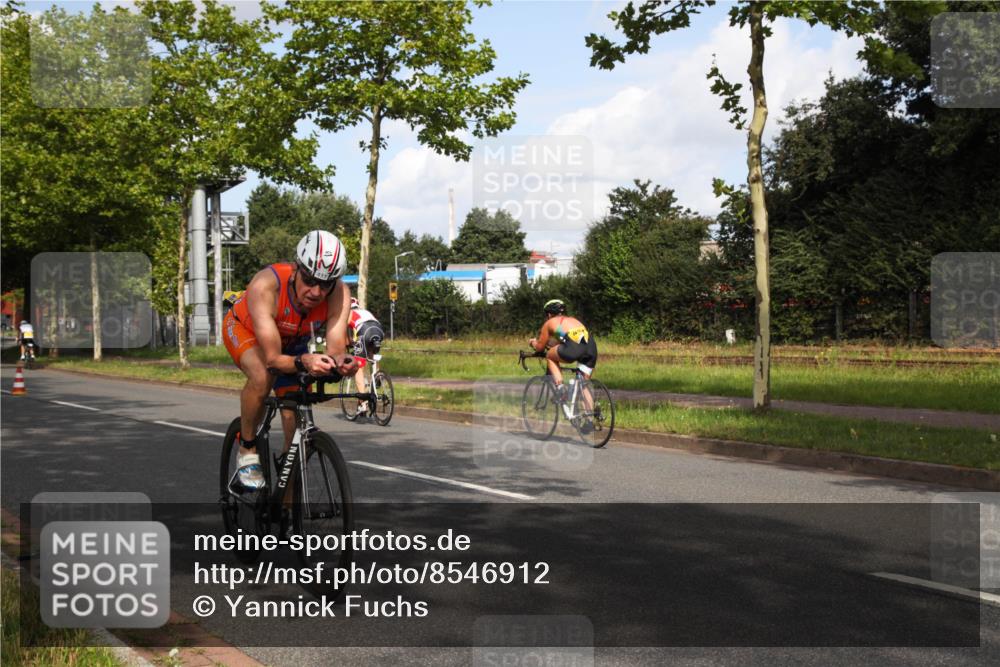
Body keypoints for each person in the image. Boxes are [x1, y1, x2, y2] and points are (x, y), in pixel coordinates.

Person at [222, 230, 358, 489]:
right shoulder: (266, 285)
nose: (317, 292)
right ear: (296, 269)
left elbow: (336, 345)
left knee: (294, 413)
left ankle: (286, 493)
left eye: (326, 284)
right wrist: (305, 361)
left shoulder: (339, 292)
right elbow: (273, 359)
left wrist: (342, 362)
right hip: (245, 330)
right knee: (263, 376)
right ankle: (247, 449)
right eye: (309, 280)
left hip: (292, 340)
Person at [528, 300, 598, 424]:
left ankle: (561, 389)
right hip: (591, 346)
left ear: (549, 314)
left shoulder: (549, 323)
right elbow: (569, 339)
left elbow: (539, 347)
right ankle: (589, 421)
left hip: (574, 348)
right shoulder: (572, 320)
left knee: (550, 356)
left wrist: (533, 342)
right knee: (583, 384)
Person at [347, 297, 385, 416]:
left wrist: (348, 344)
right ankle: (377, 376)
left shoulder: (348, 313)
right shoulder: (365, 311)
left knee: (359, 367)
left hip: (364, 331)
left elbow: (346, 335)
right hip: (378, 330)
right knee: (371, 355)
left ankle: (363, 403)